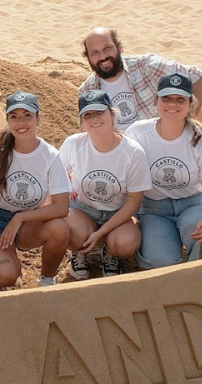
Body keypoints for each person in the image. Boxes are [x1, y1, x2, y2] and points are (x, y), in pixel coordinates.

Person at [0, 92, 70, 288]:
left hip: (27, 220)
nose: (21, 122)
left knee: (59, 229)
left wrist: (21, 217)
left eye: (27, 115)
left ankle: (47, 278)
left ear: (38, 118)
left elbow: (62, 207)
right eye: (14, 116)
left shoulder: (50, 155)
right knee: (6, 276)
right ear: (7, 120)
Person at [125, 73, 202, 269]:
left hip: (191, 204)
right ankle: (167, 242)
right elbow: (123, 172)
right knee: (159, 261)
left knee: (196, 225)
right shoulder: (137, 133)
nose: (173, 104)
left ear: (190, 104)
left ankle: (197, 262)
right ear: (156, 101)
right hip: (154, 208)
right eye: (166, 98)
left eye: (180, 99)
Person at [55, 91, 150, 283]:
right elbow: (55, 176)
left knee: (125, 245)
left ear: (112, 114)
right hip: (83, 210)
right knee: (66, 229)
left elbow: (133, 202)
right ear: (81, 121)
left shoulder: (133, 152)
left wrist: (101, 232)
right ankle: (79, 253)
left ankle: (109, 252)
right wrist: (67, 183)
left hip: (118, 213)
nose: (95, 119)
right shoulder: (73, 144)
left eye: (100, 112)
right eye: (87, 115)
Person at [78, 27, 202, 133]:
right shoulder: (87, 91)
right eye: (95, 52)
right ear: (88, 57)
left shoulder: (146, 66)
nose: (103, 57)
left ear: (119, 47)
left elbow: (200, 77)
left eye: (107, 48)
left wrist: (186, 123)